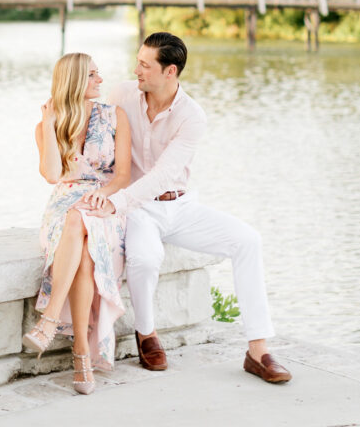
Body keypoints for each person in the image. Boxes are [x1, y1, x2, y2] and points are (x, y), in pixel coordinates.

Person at [78, 31, 291, 385]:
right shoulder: (122, 95)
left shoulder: (193, 116)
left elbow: (163, 176)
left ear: (170, 72)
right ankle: (146, 334)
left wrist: (113, 203)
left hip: (181, 205)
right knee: (145, 258)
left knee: (248, 241)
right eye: (138, 61)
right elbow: (86, 125)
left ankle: (258, 350)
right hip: (139, 210)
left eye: (145, 65)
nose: (137, 70)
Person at [22, 51, 131, 395]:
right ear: (75, 82)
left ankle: (50, 322)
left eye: (99, 74)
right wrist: (52, 125)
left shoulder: (116, 116)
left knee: (82, 222)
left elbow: (124, 175)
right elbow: (53, 175)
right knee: (77, 231)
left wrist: (106, 196)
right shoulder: (46, 127)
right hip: (65, 206)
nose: (100, 80)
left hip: (104, 202)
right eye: (93, 75)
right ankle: (81, 354)